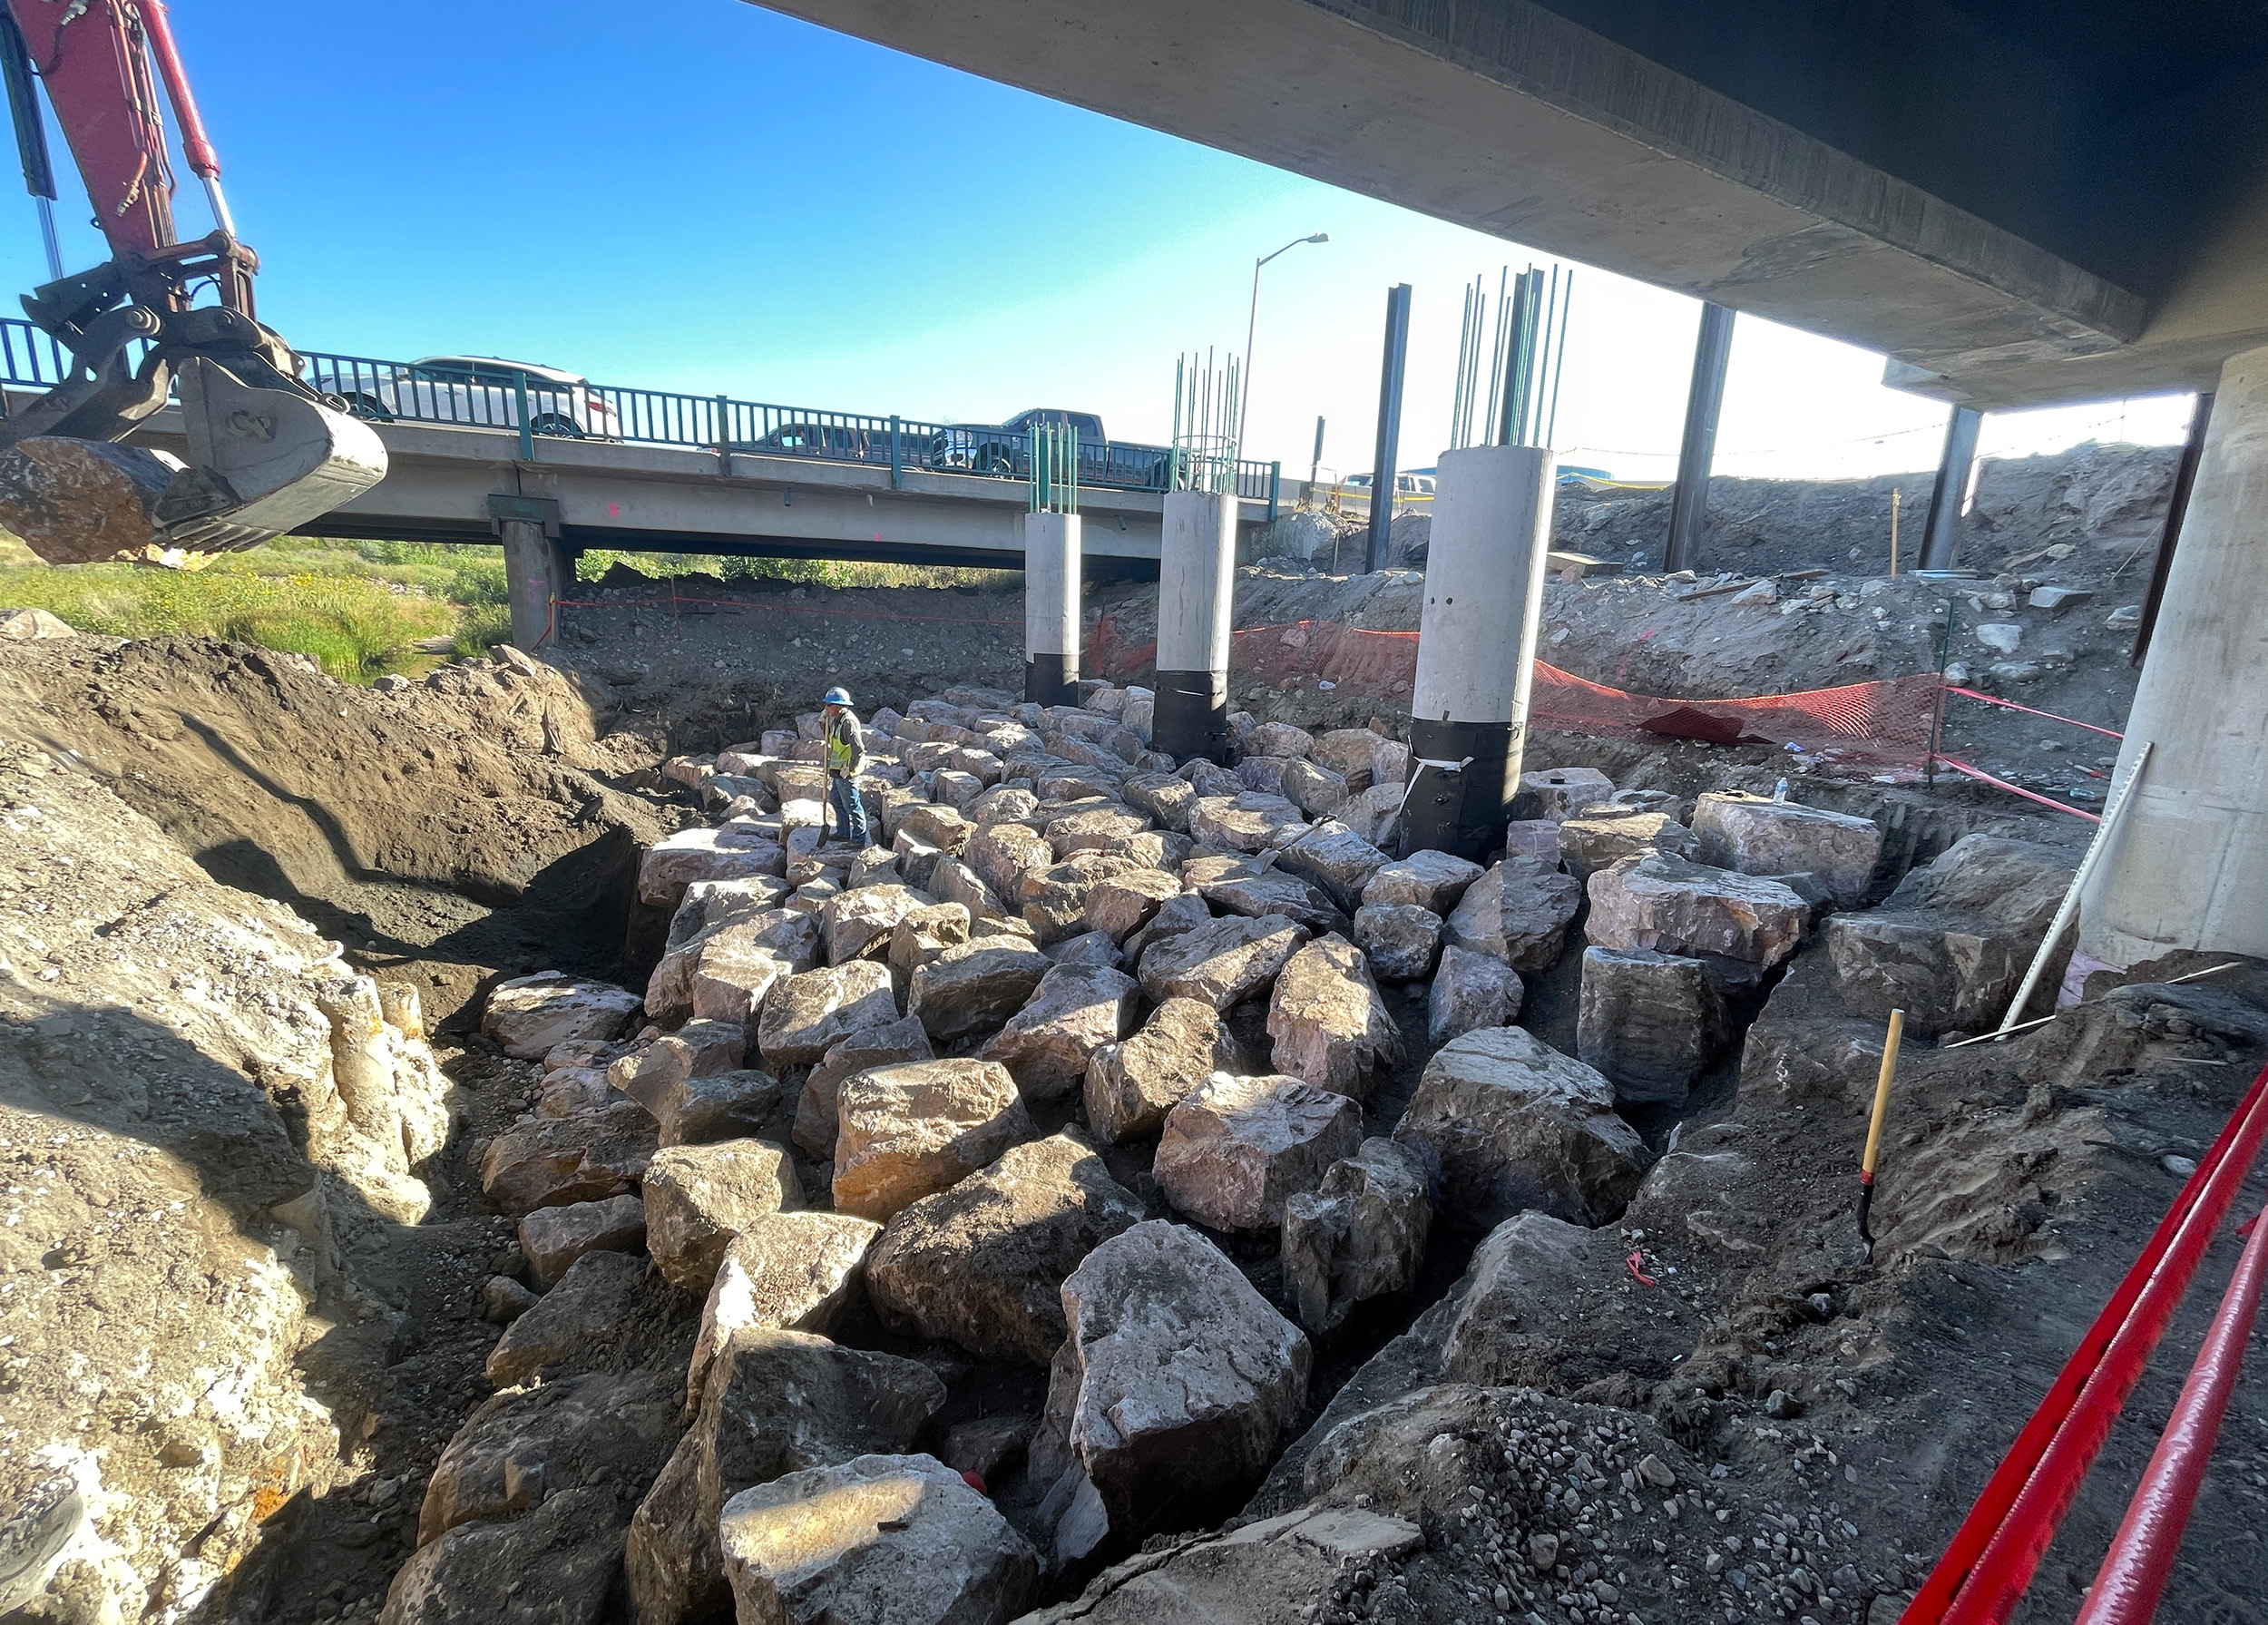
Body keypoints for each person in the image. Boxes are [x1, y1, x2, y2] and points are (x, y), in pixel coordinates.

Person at [820, 685, 869, 847]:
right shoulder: (836, 720)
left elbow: (858, 749)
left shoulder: (848, 723)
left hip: (846, 772)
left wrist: (850, 769)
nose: (826, 708)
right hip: (837, 770)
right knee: (836, 799)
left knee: (852, 805)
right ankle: (843, 832)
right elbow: (830, 737)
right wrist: (823, 723)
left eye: (829, 705)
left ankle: (858, 839)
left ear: (839, 706)